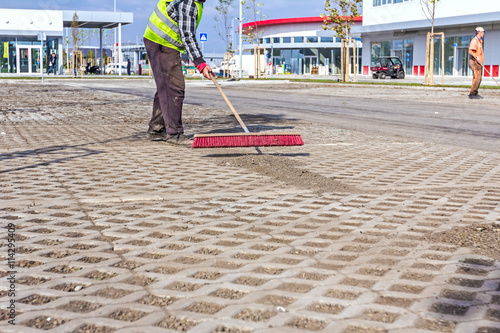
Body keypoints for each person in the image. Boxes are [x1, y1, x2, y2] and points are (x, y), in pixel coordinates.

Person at [144, 0, 212, 146]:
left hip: (156, 39)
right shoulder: (189, 3)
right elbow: (187, 35)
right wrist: (199, 62)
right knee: (175, 87)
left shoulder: (195, 3)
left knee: (165, 86)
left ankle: (157, 128)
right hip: (162, 42)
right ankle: (174, 133)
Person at [468, 27, 485, 99]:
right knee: (477, 78)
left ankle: (475, 93)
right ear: (480, 32)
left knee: (479, 78)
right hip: (475, 62)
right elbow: (470, 51)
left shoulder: (479, 41)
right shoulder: (474, 41)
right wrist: (476, 57)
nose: (483, 33)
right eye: (483, 32)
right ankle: (472, 94)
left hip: (478, 63)